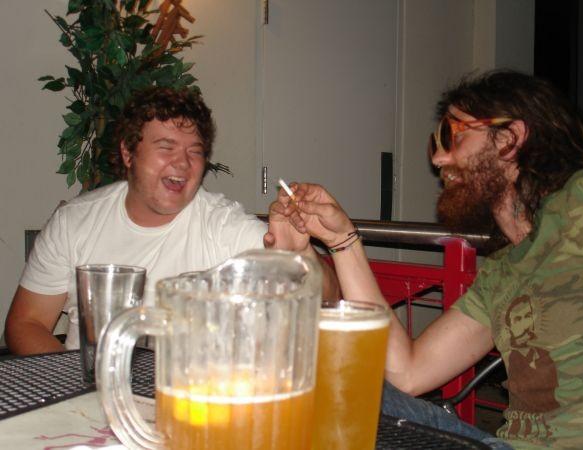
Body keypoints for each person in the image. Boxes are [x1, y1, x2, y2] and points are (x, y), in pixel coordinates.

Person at [271, 70, 583, 449]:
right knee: (322, 386)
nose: (439, 158)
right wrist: (341, 240)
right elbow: (408, 372)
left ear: (510, 139)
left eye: (453, 136)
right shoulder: (504, 271)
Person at [5, 86, 338, 355]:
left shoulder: (223, 225)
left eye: (195, 151)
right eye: (166, 147)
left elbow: (325, 299)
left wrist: (303, 254)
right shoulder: (74, 222)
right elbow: (26, 323)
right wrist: (81, 386)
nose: (183, 163)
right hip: (86, 400)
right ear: (128, 153)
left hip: (191, 399)